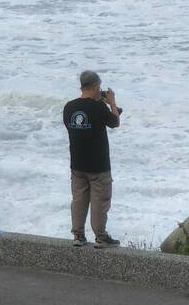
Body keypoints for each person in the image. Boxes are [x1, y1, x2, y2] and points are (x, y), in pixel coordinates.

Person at [63, 70, 121, 248]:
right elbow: (114, 122)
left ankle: (78, 236)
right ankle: (101, 237)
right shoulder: (99, 108)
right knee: (100, 201)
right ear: (96, 87)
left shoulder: (69, 107)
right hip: (98, 166)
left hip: (77, 164)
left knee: (79, 200)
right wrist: (111, 103)